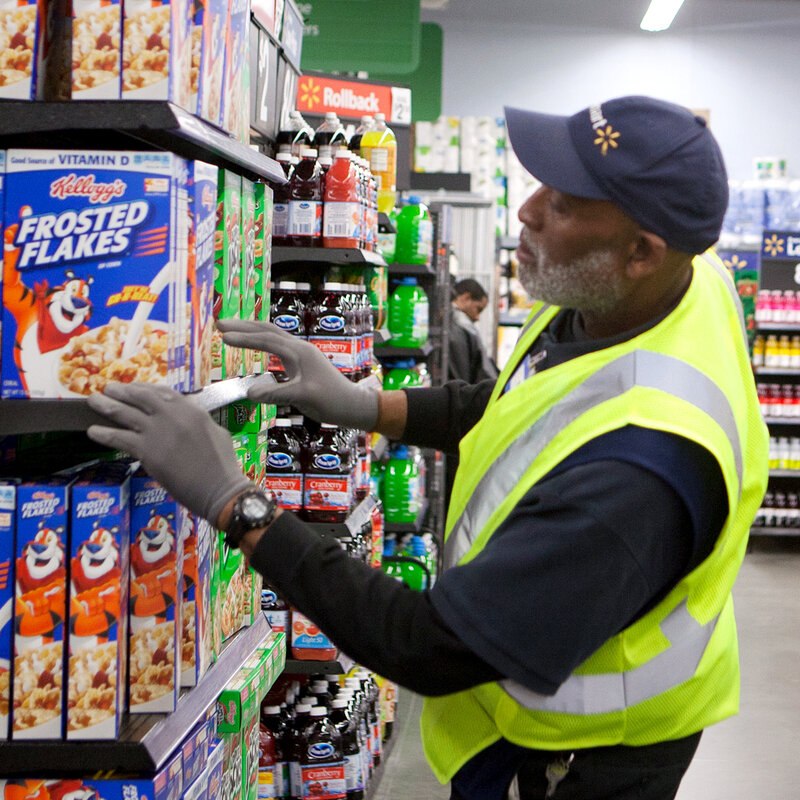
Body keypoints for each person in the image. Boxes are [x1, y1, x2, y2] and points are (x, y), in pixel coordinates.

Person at [87, 95, 768, 800]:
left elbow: (430, 646)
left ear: (639, 253)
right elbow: (522, 404)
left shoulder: (638, 475)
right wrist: (366, 404)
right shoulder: (659, 290)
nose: (528, 212)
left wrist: (239, 504)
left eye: (563, 205)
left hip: (579, 760)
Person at [448, 278, 499, 385]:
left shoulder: (454, 322)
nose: (477, 317)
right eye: (478, 309)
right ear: (466, 298)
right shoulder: (459, 326)